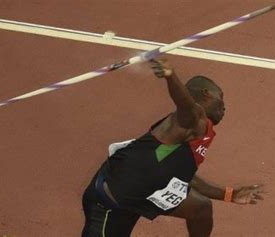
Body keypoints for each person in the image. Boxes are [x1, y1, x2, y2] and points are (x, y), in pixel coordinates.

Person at [81, 58, 265, 237]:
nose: (224, 107)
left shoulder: (185, 136)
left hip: (138, 195)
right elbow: (187, 107)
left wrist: (229, 194)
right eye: (221, 98)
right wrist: (170, 76)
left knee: (201, 208)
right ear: (206, 94)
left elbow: (177, 174)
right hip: (109, 206)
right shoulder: (192, 121)